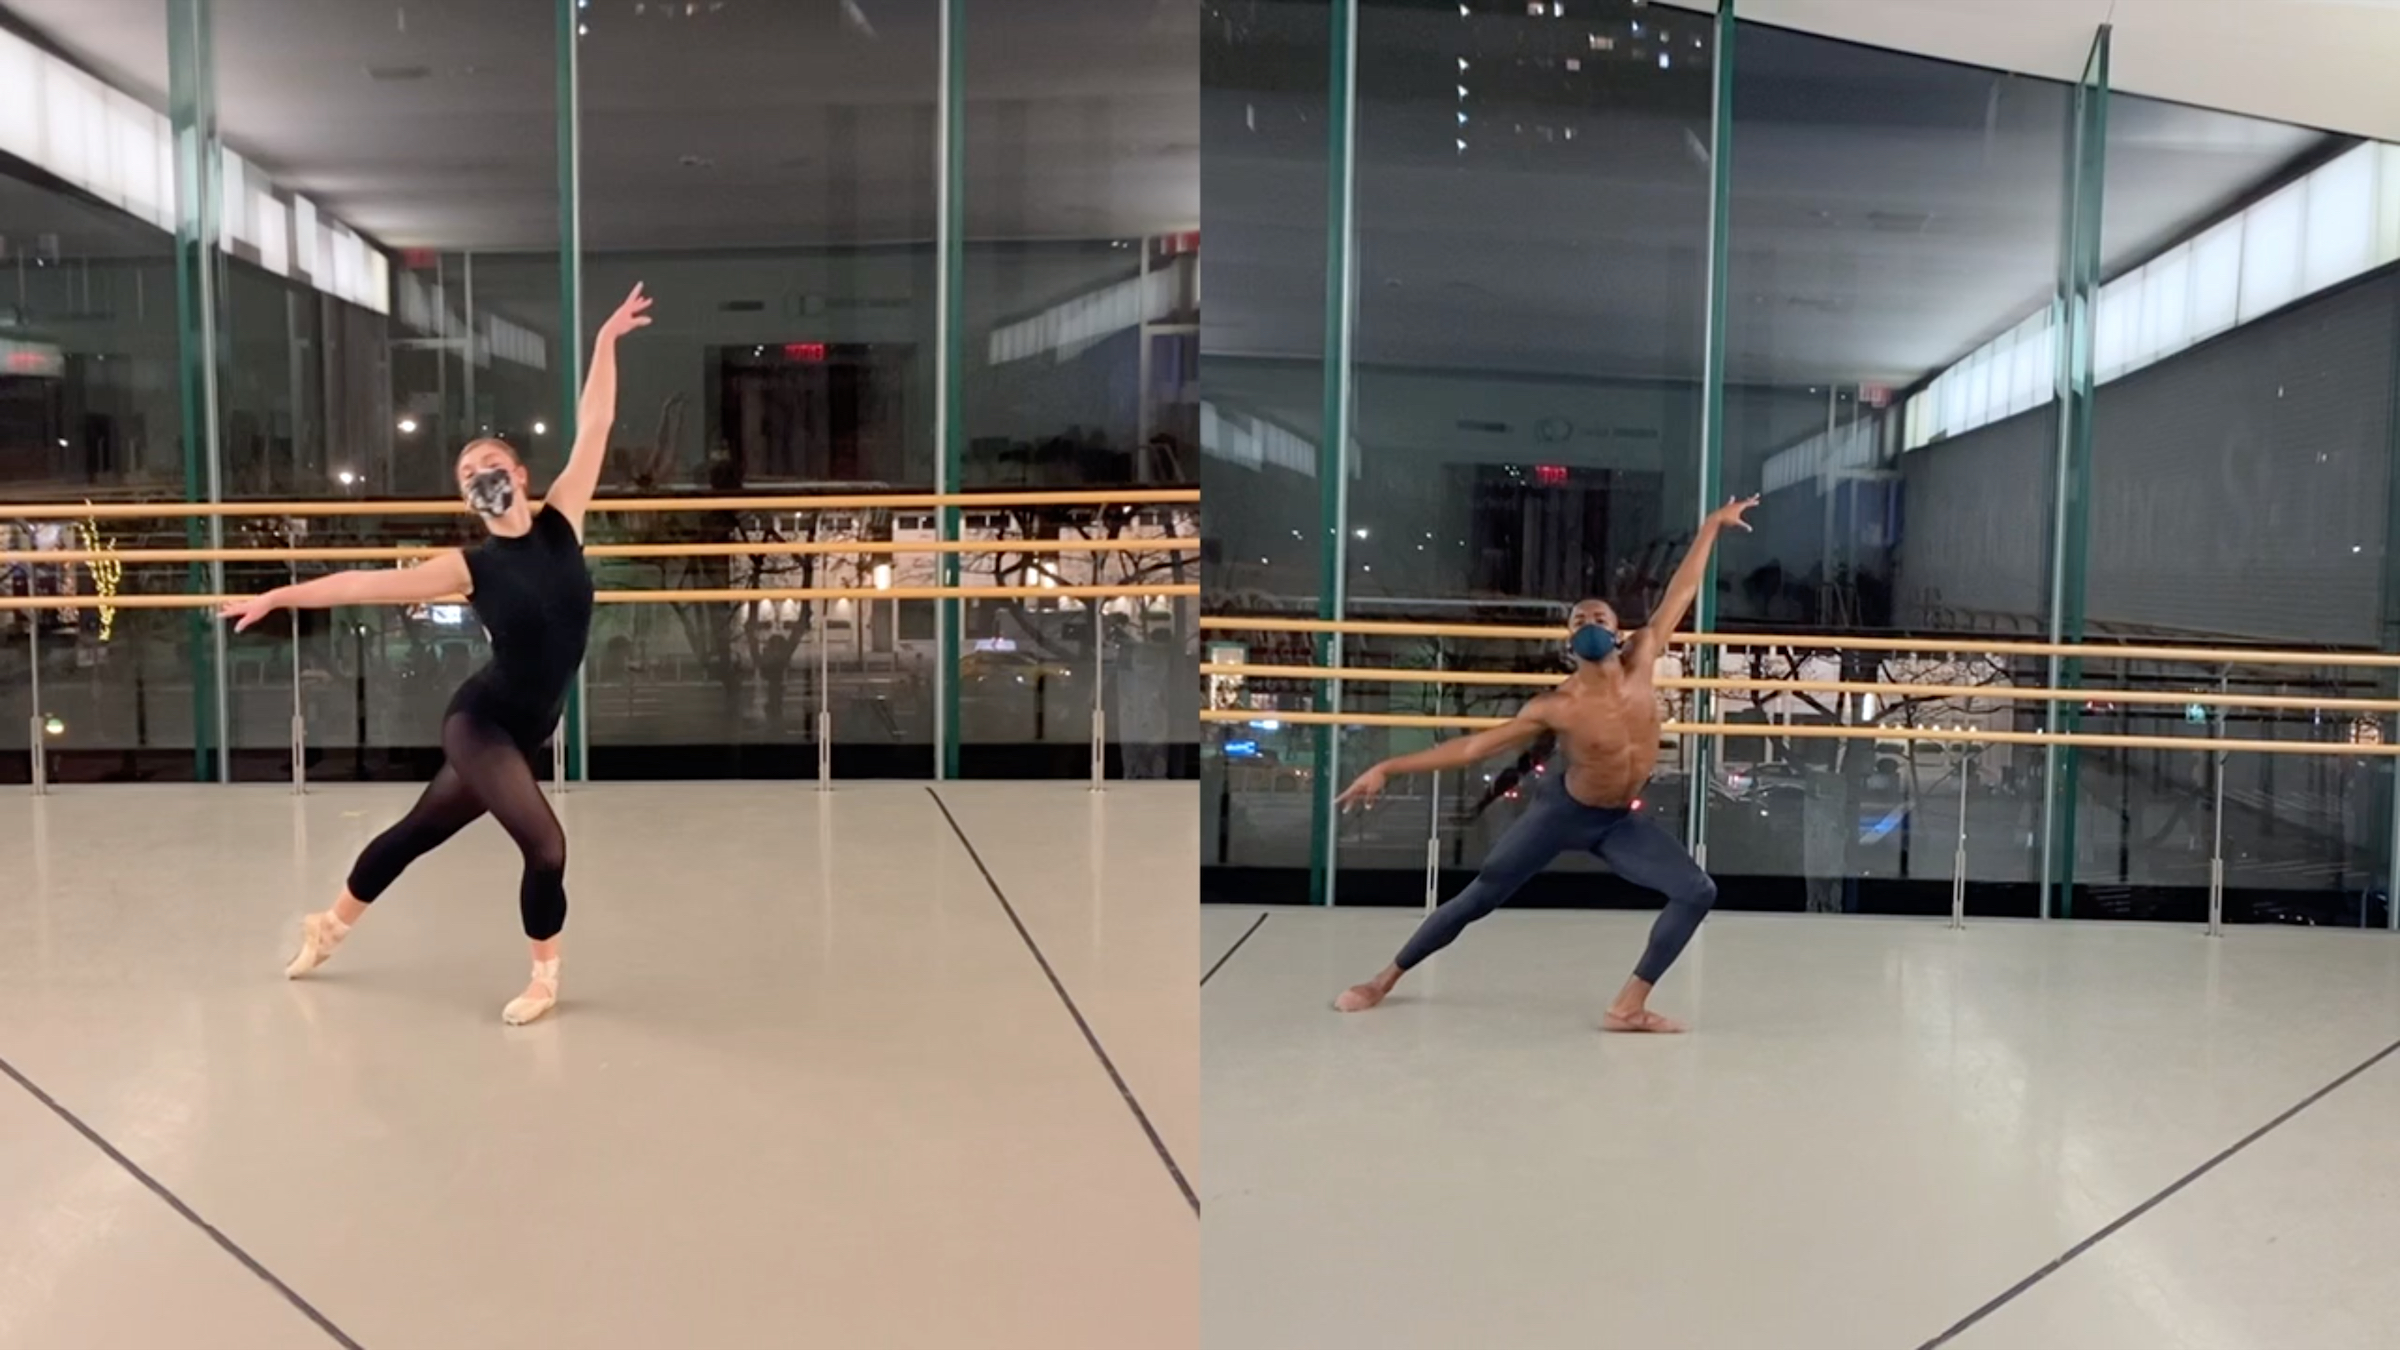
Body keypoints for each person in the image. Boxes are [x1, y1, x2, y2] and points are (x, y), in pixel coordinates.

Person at [221, 283, 654, 1025]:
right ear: (467, 498)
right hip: (480, 722)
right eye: (466, 474)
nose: (481, 474)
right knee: (546, 846)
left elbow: (596, 422)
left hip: (528, 728)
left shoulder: (563, 519)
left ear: (518, 474)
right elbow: (364, 583)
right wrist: (277, 598)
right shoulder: (468, 566)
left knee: (417, 833)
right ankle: (544, 977)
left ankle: (327, 926)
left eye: (491, 462)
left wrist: (606, 341)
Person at [1330, 494, 1760, 1032]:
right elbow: (1471, 748)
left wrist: (1711, 528)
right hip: (1562, 812)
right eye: (1579, 619)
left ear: (1618, 629)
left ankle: (1627, 1006)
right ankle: (1382, 980)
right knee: (1479, 898)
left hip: (1616, 820)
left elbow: (1683, 589)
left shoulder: (1645, 653)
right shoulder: (1557, 706)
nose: (1589, 622)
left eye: (1599, 616)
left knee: (1697, 891)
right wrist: (1388, 768)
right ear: (1569, 639)